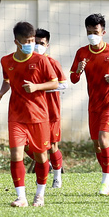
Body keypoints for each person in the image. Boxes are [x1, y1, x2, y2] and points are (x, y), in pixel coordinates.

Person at [0, 22, 59, 207]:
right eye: (26, 41)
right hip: (16, 116)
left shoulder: (41, 60)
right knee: (15, 155)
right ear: (16, 42)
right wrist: (1, 92)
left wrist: (36, 87)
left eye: (32, 40)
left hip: (39, 117)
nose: (30, 44)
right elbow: (7, 80)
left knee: (41, 157)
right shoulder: (6, 61)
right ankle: (21, 197)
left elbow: (54, 83)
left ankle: (40, 194)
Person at [70, 14, 109, 195]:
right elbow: (74, 79)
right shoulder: (82, 53)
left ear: (103, 32)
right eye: (89, 32)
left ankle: (105, 182)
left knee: (104, 140)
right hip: (94, 104)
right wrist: (79, 70)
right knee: (97, 145)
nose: (92, 35)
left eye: (95, 32)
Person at [36, 28, 68, 188]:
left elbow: (63, 84)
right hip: (33, 112)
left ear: (47, 45)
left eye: (41, 43)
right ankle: (44, 167)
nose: (37, 46)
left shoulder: (53, 63)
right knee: (31, 145)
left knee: (53, 146)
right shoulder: (28, 62)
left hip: (51, 111)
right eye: (34, 43)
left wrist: (41, 87)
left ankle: (57, 177)